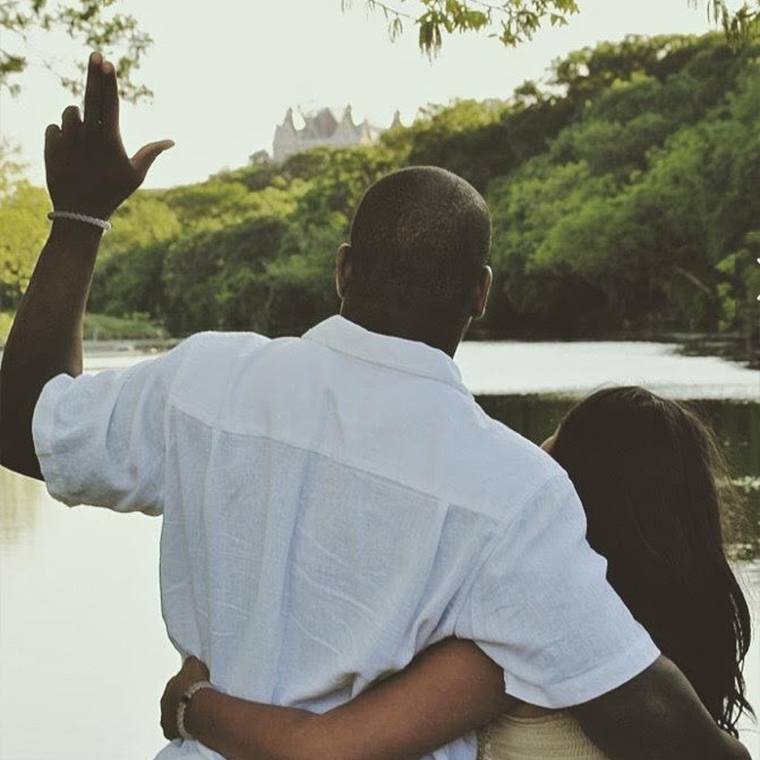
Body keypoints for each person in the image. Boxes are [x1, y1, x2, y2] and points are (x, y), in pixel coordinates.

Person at [0, 52, 750, 760]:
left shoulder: (204, 383)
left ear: (342, 270)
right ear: (481, 293)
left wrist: (79, 219)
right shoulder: (513, 491)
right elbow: (645, 710)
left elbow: (20, 425)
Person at [158, 386, 754, 759]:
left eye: (553, 448)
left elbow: (322, 750)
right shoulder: (680, 650)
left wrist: (194, 704)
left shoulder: (507, 651)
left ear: (576, 490)